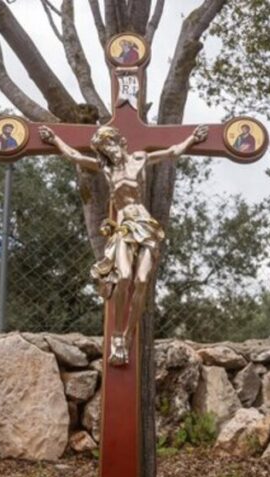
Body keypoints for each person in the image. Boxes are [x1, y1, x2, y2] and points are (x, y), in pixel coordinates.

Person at [39, 123, 208, 365]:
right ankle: (117, 335)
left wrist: (192, 138)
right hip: (124, 227)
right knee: (125, 277)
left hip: (146, 226)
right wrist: (54, 139)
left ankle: (128, 335)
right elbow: (74, 156)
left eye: (109, 143)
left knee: (141, 281)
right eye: (103, 148)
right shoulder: (106, 169)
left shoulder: (140, 158)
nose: (108, 150)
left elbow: (172, 152)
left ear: (119, 141)